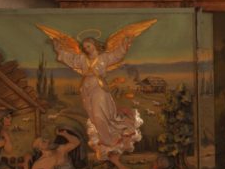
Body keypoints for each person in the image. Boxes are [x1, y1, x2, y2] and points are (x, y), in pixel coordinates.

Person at [43, 28, 148, 160]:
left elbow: (116, 55)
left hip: (99, 87)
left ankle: (110, 141)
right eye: (84, 47)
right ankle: (105, 141)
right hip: (86, 88)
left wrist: (125, 44)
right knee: (93, 116)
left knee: (99, 115)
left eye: (88, 46)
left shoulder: (103, 57)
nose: (86, 49)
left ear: (94, 45)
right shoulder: (82, 59)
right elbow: (71, 58)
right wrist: (59, 49)